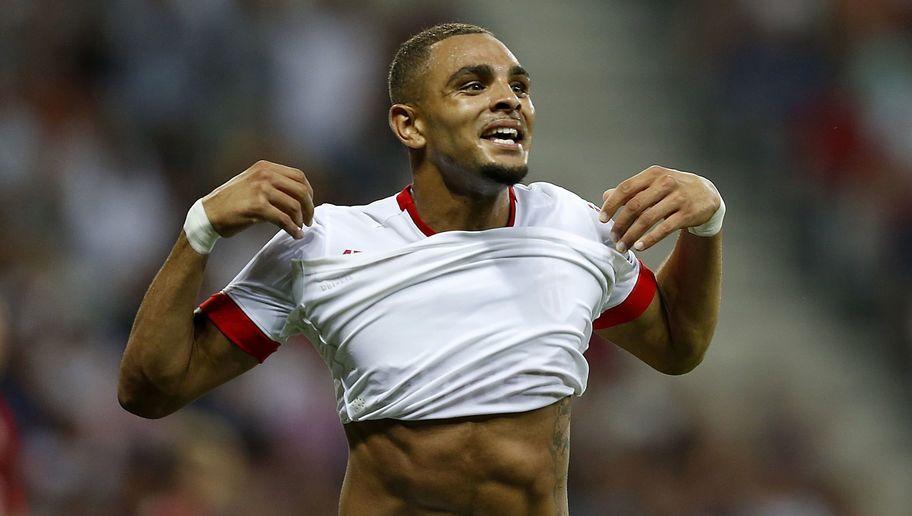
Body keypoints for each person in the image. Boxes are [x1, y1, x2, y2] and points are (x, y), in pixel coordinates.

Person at [118, 23, 723, 515]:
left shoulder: (575, 227)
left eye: (519, 85)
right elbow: (151, 390)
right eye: (472, 85)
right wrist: (198, 231)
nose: (508, 99)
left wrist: (706, 227)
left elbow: (677, 347)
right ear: (410, 124)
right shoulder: (326, 245)